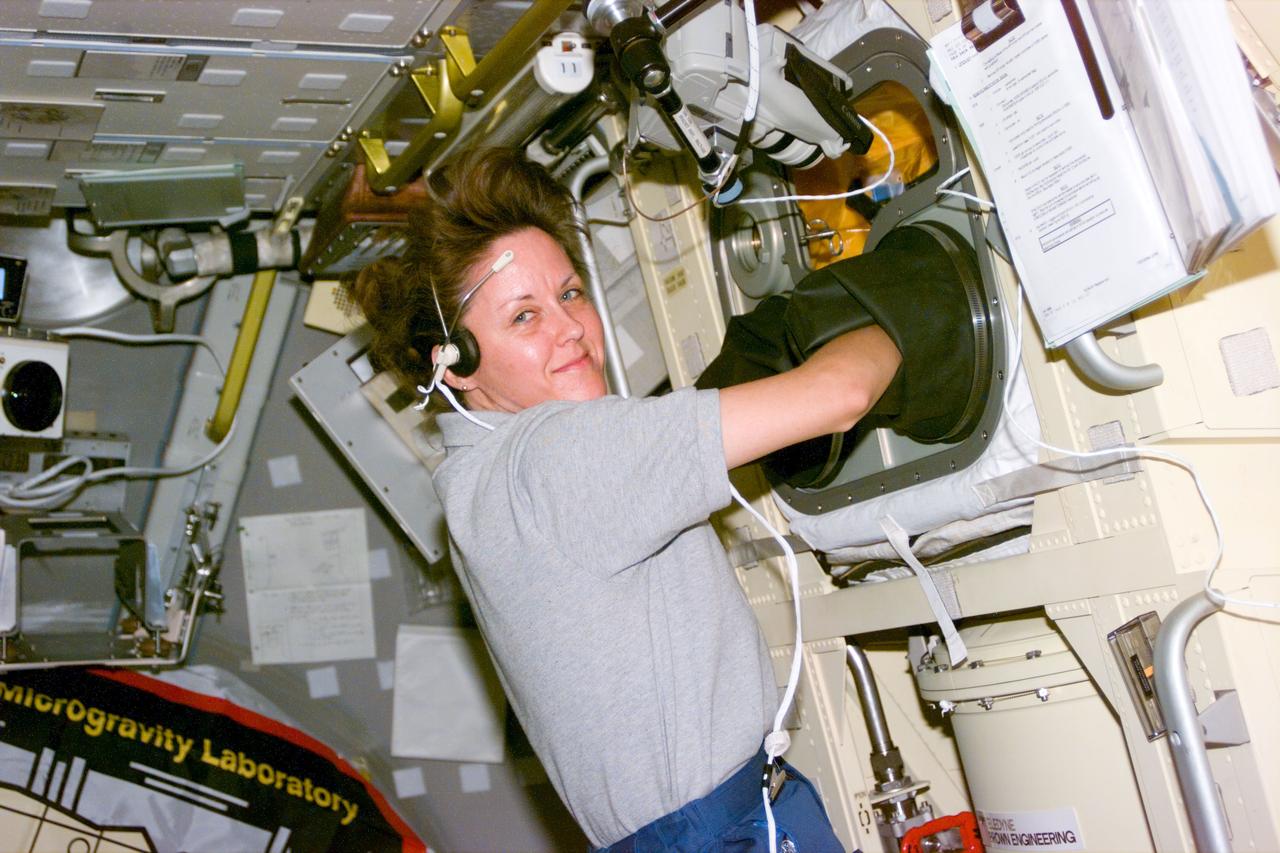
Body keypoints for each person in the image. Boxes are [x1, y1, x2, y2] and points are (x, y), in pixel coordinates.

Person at [352, 147, 901, 852]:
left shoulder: (482, 480)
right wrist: (909, 303)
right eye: (524, 317)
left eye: (570, 292)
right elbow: (840, 396)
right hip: (719, 834)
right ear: (453, 361)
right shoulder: (554, 456)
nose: (570, 327)